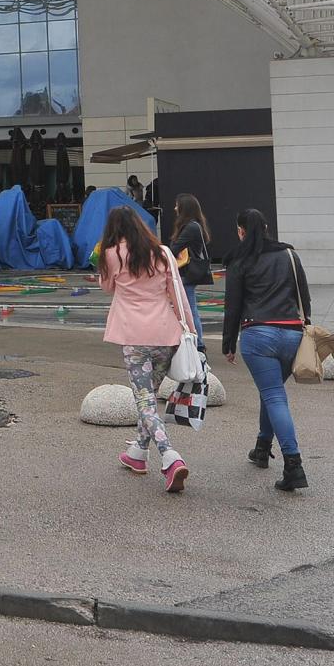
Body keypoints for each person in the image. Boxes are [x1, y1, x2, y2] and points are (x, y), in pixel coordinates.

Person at [95, 204, 194, 493]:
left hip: (134, 337)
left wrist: (100, 260)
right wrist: (191, 331)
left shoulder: (112, 253)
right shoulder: (163, 253)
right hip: (166, 335)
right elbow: (178, 294)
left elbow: (107, 288)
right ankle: (138, 454)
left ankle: (169, 457)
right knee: (148, 400)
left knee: (145, 401)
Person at [222, 209, 313, 492]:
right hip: (292, 334)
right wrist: (305, 327)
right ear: (265, 228)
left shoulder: (240, 260)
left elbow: (233, 305)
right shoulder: (289, 255)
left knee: (274, 396)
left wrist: (228, 344)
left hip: (257, 335)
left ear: (241, 231)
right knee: (271, 391)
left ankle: (293, 464)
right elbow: (304, 297)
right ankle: (262, 447)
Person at [166, 194, 213, 351]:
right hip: (187, 274)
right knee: (189, 308)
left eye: (177, 205)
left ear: (184, 208)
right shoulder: (194, 225)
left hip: (186, 274)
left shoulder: (191, 227)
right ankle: (195, 342)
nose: (175, 208)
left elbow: (174, 249)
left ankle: (198, 344)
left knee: (189, 309)